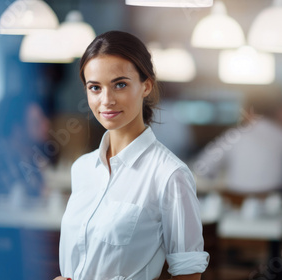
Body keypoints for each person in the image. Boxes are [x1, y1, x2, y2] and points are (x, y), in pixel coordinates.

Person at [55, 31, 209, 280]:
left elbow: (188, 275)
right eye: (95, 88)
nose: (106, 100)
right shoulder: (82, 168)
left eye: (120, 84)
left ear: (146, 85)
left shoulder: (170, 175)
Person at [193, 88, 282, 194]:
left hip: (237, 205)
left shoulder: (234, 136)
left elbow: (202, 167)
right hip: (278, 206)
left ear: (248, 111)